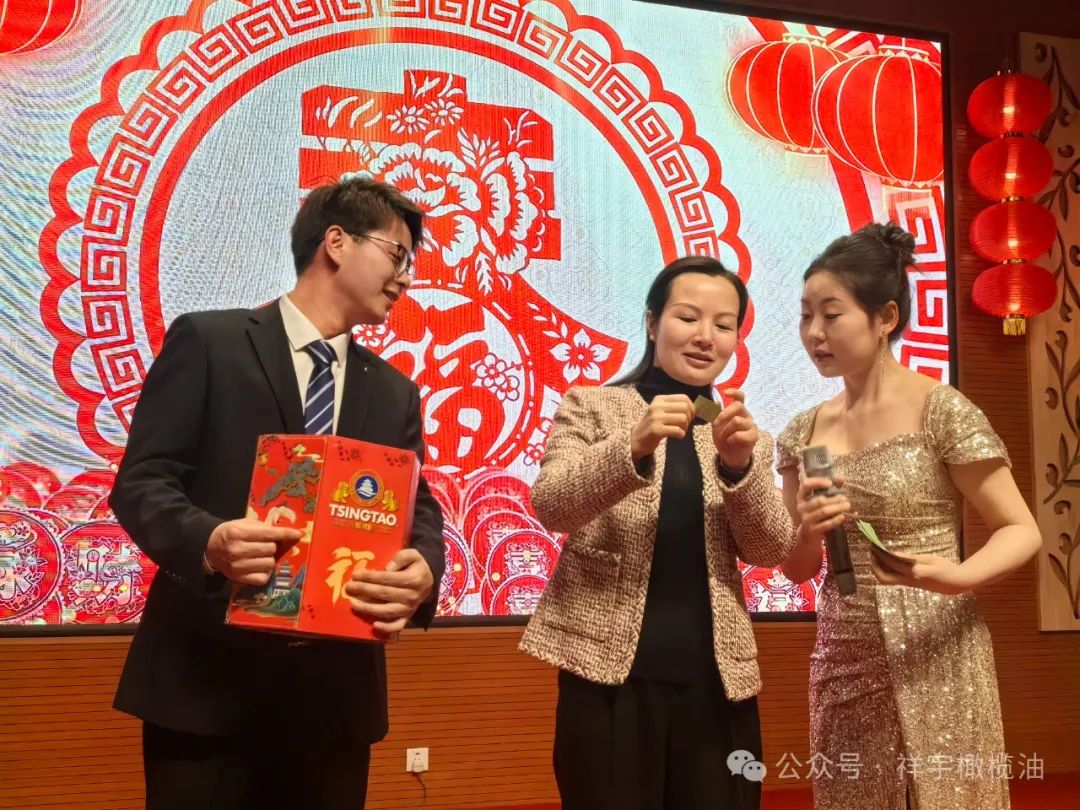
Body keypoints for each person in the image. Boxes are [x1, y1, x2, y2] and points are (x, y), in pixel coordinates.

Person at [109, 177, 446, 810]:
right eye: (397, 254)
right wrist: (210, 541)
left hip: (335, 703)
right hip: (205, 688)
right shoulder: (209, 343)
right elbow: (142, 481)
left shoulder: (394, 389)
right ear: (337, 242)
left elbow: (416, 505)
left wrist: (425, 567)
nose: (405, 277)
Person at [778, 222, 1042, 810]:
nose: (814, 333)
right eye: (805, 316)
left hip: (938, 641)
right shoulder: (802, 432)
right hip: (845, 647)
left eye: (831, 314)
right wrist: (808, 531)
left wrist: (958, 577)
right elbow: (796, 568)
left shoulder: (941, 410)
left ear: (886, 317)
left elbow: (1021, 529)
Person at [520, 255, 795, 810]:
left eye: (724, 325)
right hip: (606, 681)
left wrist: (739, 468)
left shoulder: (740, 433)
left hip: (719, 685)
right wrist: (633, 445)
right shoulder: (593, 406)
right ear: (652, 323)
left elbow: (770, 550)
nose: (706, 336)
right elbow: (552, 506)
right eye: (688, 317)